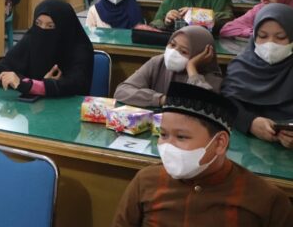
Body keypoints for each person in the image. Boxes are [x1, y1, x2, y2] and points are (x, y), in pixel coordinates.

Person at [113, 81, 293, 226]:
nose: (168, 146)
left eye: (181, 137)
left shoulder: (266, 200)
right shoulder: (146, 181)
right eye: (164, 134)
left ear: (219, 143)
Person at [0, 0, 93, 97]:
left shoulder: (79, 49)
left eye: (50, 26)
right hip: (31, 110)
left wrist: (31, 85)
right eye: (38, 23)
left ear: (64, 28)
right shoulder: (31, 39)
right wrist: (33, 84)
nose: (42, 30)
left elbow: (76, 84)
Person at [221, 4, 293, 149]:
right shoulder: (240, 67)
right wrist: (250, 123)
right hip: (245, 147)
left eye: (280, 37)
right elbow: (227, 102)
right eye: (262, 36)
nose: (270, 44)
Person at [114, 27, 222, 107]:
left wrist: (192, 68)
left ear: (200, 55)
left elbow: (205, 106)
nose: (173, 52)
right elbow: (122, 91)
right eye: (172, 45)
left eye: (184, 51)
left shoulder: (209, 75)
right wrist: (162, 99)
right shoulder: (158, 62)